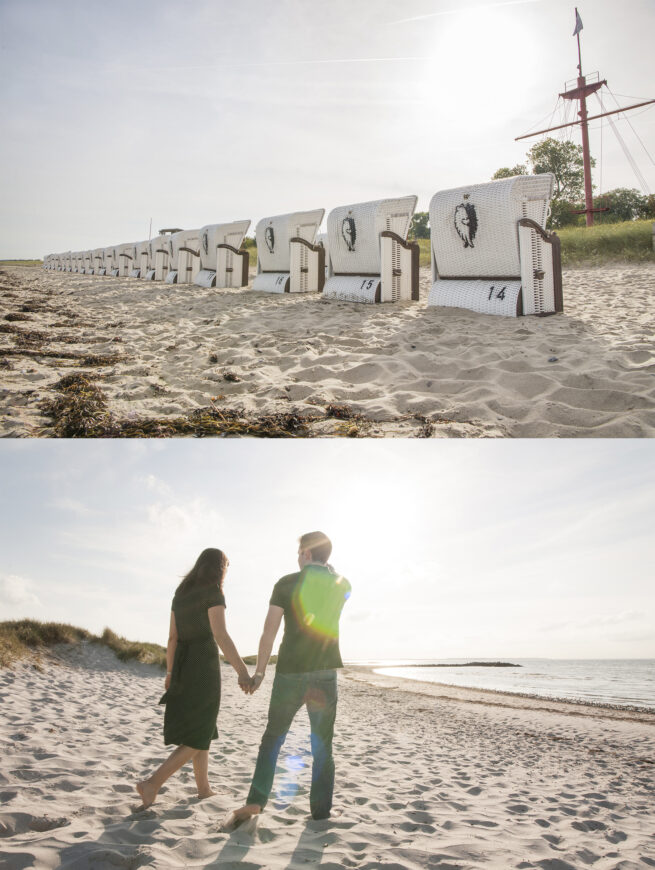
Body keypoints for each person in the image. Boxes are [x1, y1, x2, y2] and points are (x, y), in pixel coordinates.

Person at [225, 531, 351, 828]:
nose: (297, 558)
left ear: (306, 552)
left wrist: (259, 672)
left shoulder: (285, 583)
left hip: (289, 672)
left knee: (273, 739)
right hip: (324, 673)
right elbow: (336, 585)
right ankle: (321, 812)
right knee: (322, 745)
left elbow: (269, 631)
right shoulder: (343, 584)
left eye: (299, 553)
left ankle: (256, 800)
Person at [136, 548, 250, 809]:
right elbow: (220, 635)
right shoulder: (213, 592)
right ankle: (153, 783)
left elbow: (172, 638)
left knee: (204, 727)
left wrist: (169, 672)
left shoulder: (181, 593)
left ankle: (203, 789)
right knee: (200, 731)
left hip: (183, 666)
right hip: (203, 665)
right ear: (219, 568)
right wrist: (242, 671)